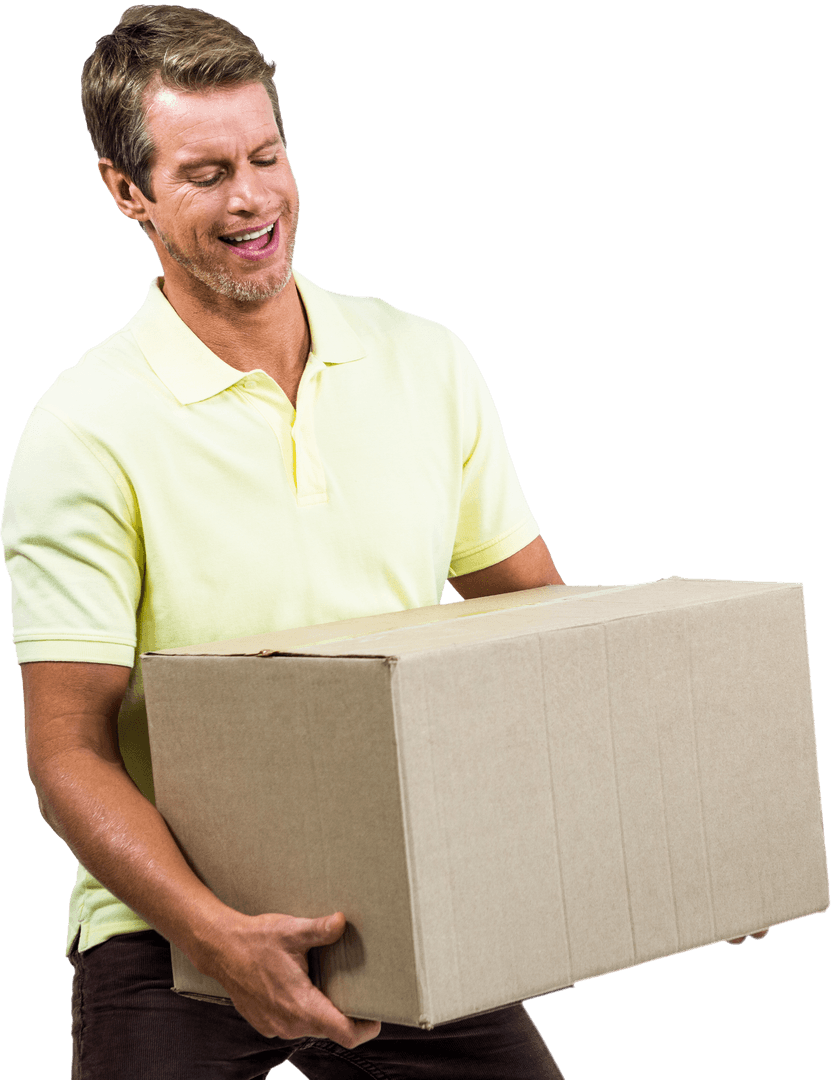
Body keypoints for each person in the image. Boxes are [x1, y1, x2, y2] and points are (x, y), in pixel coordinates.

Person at [1, 5, 573, 1078]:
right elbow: (67, 752)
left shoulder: (425, 364)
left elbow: (535, 625)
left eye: (266, 156)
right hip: (165, 926)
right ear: (128, 192)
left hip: (395, 888)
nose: (253, 198)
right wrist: (221, 936)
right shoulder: (84, 429)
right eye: (205, 172)